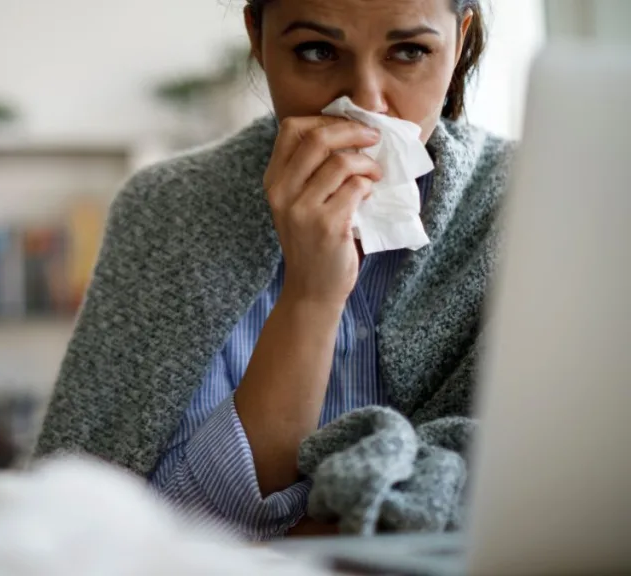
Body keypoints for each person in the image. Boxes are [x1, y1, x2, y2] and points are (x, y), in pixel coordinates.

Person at [34, 0, 514, 540]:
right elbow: (140, 523)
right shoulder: (170, 210)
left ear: (458, 40)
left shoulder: (528, 202)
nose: (366, 102)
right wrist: (311, 295)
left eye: (409, 52)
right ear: (258, 38)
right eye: (317, 51)